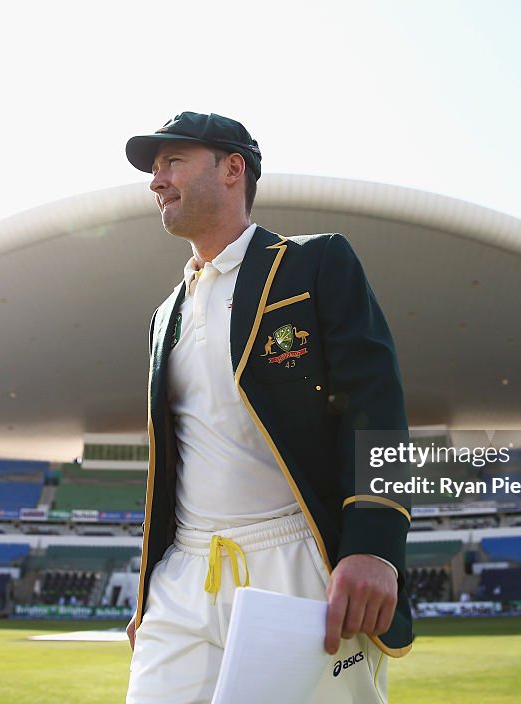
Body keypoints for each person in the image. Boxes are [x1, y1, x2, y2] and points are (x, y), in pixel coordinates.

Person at [123, 112, 412, 703]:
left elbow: (374, 400)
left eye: (173, 162)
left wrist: (375, 544)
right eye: (154, 170)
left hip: (297, 558)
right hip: (184, 574)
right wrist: (150, 591)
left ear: (234, 169)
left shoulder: (315, 263)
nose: (157, 181)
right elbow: (171, 465)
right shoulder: (163, 315)